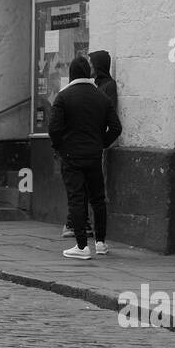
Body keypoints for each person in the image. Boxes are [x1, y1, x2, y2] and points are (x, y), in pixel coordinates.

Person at [49, 54, 122, 259]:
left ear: (71, 73)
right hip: (93, 155)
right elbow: (116, 127)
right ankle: (100, 242)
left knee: (77, 198)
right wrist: (101, 143)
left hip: (71, 156)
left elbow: (54, 129)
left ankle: (81, 246)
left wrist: (60, 147)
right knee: (98, 199)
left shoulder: (63, 97)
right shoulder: (101, 97)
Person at [62, 49, 119, 237]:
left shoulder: (108, 87)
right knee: (81, 188)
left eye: (92, 64)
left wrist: (102, 142)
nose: (90, 67)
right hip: (88, 144)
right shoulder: (93, 87)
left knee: (93, 193)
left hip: (93, 146)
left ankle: (84, 230)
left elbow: (112, 120)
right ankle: (79, 224)